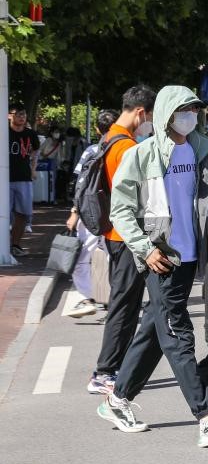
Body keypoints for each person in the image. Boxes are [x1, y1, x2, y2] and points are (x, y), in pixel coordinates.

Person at [95, 85, 208, 448]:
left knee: (154, 331)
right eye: (183, 110)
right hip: (160, 257)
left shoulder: (201, 150)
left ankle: (117, 399)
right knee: (178, 334)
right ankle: (206, 417)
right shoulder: (141, 154)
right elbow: (121, 211)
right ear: (166, 113)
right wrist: (145, 249)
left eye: (194, 109)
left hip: (190, 257)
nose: (190, 116)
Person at [86, 85, 156, 395]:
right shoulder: (126, 147)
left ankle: (114, 368)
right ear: (141, 112)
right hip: (127, 235)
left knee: (125, 303)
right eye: (150, 116)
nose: (149, 123)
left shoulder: (109, 138)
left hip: (114, 232)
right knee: (125, 305)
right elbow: (137, 194)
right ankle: (105, 371)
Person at [63, 111, 117, 320]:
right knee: (113, 258)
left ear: (96, 129)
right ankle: (114, 301)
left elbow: (81, 183)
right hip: (117, 213)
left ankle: (88, 299)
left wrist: (74, 212)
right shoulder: (127, 148)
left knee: (80, 258)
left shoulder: (92, 151)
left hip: (91, 213)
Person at [8, 108, 40, 257]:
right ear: (10, 116)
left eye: (24, 114)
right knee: (4, 213)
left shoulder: (30, 134)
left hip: (24, 178)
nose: (22, 117)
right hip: (5, 179)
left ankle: (15, 245)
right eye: (18, 114)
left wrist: (33, 169)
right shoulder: (4, 132)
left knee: (23, 213)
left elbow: (36, 152)